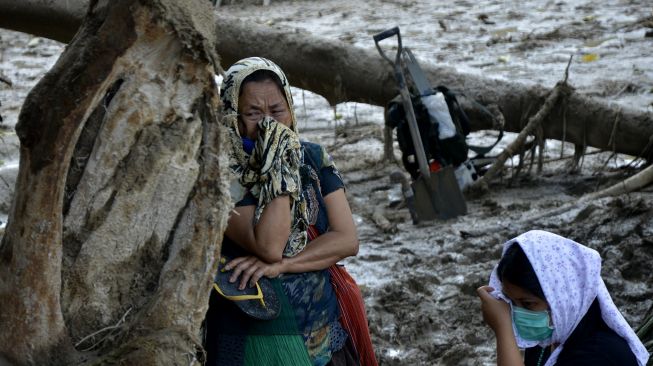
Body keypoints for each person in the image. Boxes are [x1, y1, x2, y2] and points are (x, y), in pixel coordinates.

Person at [203, 57, 376, 366]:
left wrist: (283, 266)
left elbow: (346, 240)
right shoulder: (219, 172)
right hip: (252, 339)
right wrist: (277, 166)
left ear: (290, 108)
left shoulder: (312, 157)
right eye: (254, 113)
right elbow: (269, 246)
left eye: (276, 111)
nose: (268, 123)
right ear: (233, 115)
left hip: (321, 331)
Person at [477, 230, 649, 366]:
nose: (514, 312)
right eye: (511, 302)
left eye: (527, 304)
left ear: (562, 300)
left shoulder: (599, 354)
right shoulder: (548, 339)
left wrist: (502, 328)